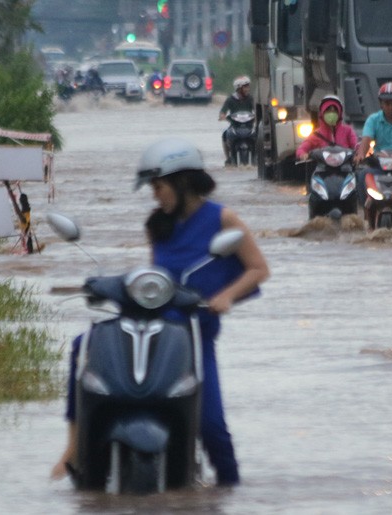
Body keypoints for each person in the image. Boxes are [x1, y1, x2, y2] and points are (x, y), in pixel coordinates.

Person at [52, 137, 270, 487]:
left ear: (182, 183)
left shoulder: (222, 218)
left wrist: (226, 297)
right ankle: (75, 447)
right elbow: (157, 279)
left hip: (194, 335)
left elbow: (258, 269)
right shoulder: (158, 226)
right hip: (154, 327)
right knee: (84, 344)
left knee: (212, 427)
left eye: (158, 186)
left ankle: (230, 491)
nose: (155, 194)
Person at [296, 95, 359, 161]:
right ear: (322, 113)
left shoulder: (348, 131)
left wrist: (358, 154)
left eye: (335, 111)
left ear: (339, 113)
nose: (331, 113)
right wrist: (303, 154)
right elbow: (302, 148)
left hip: (345, 168)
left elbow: (356, 145)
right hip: (322, 169)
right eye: (328, 111)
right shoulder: (316, 134)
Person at [218, 76, 254, 167]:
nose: (247, 89)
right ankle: (228, 158)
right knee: (224, 134)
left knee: (258, 135)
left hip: (249, 125)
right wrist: (222, 116)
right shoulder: (230, 99)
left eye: (248, 86)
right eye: (245, 87)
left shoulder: (250, 99)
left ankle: (257, 156)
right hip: (235, 125)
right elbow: (223, 111)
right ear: (239, 88)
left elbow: (256, 109)